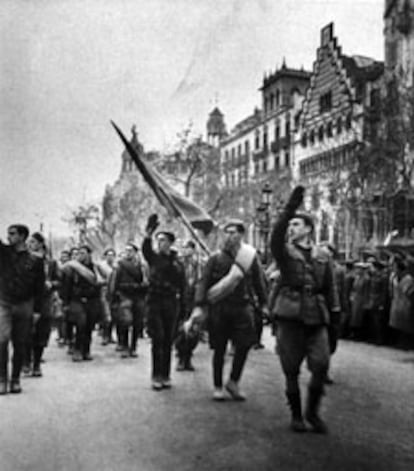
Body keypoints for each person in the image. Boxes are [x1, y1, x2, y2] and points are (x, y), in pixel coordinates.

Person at [270, 187, 339, 434]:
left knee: (321, 365)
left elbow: (331, 289)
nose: (291, 228)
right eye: (290, 225)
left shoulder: (323, 255)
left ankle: (313, 412)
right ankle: (297, 414)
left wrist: (335, 321)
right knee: (290, 369)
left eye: (296, 224)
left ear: (309, 229)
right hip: (290, 316)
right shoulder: (284, 253)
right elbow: (275, 237)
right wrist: (288, 210)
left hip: (317, 317)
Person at [185, 219, 268, 401]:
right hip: (220, 309)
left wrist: (264, 303)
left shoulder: (249, 257)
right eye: (227, 232)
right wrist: (199, 305)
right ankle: (217, 386)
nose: (229, 236)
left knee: (245, 345)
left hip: (242, 307)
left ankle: (234, 381)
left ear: (241, 235)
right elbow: (204, 283)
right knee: (220, 349)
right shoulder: (215, 258)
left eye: (233, 232)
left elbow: (259, 282)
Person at [142, 215, 186, 391]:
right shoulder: (154, 258)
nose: (160, 243)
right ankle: (156, 375)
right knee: (158, 338)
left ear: (170, 243)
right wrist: (148, 233)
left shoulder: (177, 263)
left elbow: (183, 285)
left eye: (163, 240)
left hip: (171, 303)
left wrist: (183, 307)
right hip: (154, 302)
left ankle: (166, 375)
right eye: (158, 240)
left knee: (168, 339)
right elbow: (145, 249)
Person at [0, 224, 45, 394]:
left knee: (20, 344)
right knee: (1, 341)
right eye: (8, 233)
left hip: (25, 304)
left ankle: (15, 379)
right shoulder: (3, 254)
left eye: (12, 234)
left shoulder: (36, 260)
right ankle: (2, 379)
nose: (8, 236)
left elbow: (39, 289)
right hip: (4, 303)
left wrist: (37, 311)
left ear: (22, 236)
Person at [23, 232, 61, 377]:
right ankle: (26, 361)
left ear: (40, 244)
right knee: (26, 331)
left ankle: (37, 364)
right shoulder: (24, 261)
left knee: (42, 332)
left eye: (33, 242)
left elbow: (60, 281)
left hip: (45, 301)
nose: (30, 245)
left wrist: (51, 284)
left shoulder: (51, 263)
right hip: (28, 300)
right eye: (29, 242)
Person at [61, 245, 101, 362]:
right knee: (80, 324)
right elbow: (67, 286)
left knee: (89, 326)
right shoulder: (72, 268)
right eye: (78, 253)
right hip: (77, 300)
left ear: (89, 254)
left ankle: (86, 350)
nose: (80, 255)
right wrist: (66, 302)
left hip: (92, 300)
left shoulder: (95, 268)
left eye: (83, 253)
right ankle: (77, 350)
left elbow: (100, 282)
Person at [111, 243, 146, 358]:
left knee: (137, 323)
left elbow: (146, 282)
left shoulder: (142, 266)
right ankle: (125, 346)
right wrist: (115, 297)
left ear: (136, 252)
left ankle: (133, 347)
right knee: (125, 321)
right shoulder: (120, 266)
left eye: (130, 251)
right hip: (124, 296)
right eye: (126, 251)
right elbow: (115, 282)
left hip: (139, 296)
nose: (128, 253)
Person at [175, 240, 203, 371]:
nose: (185, 250)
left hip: (194, 300)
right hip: (179, 300)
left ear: (193, 250)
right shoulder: (177, 264)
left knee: (194, 330)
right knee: (180, 330)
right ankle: (181, 358)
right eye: (184, 248)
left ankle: (188, 358)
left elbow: (202, 281)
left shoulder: (199, 264)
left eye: (188, 248)